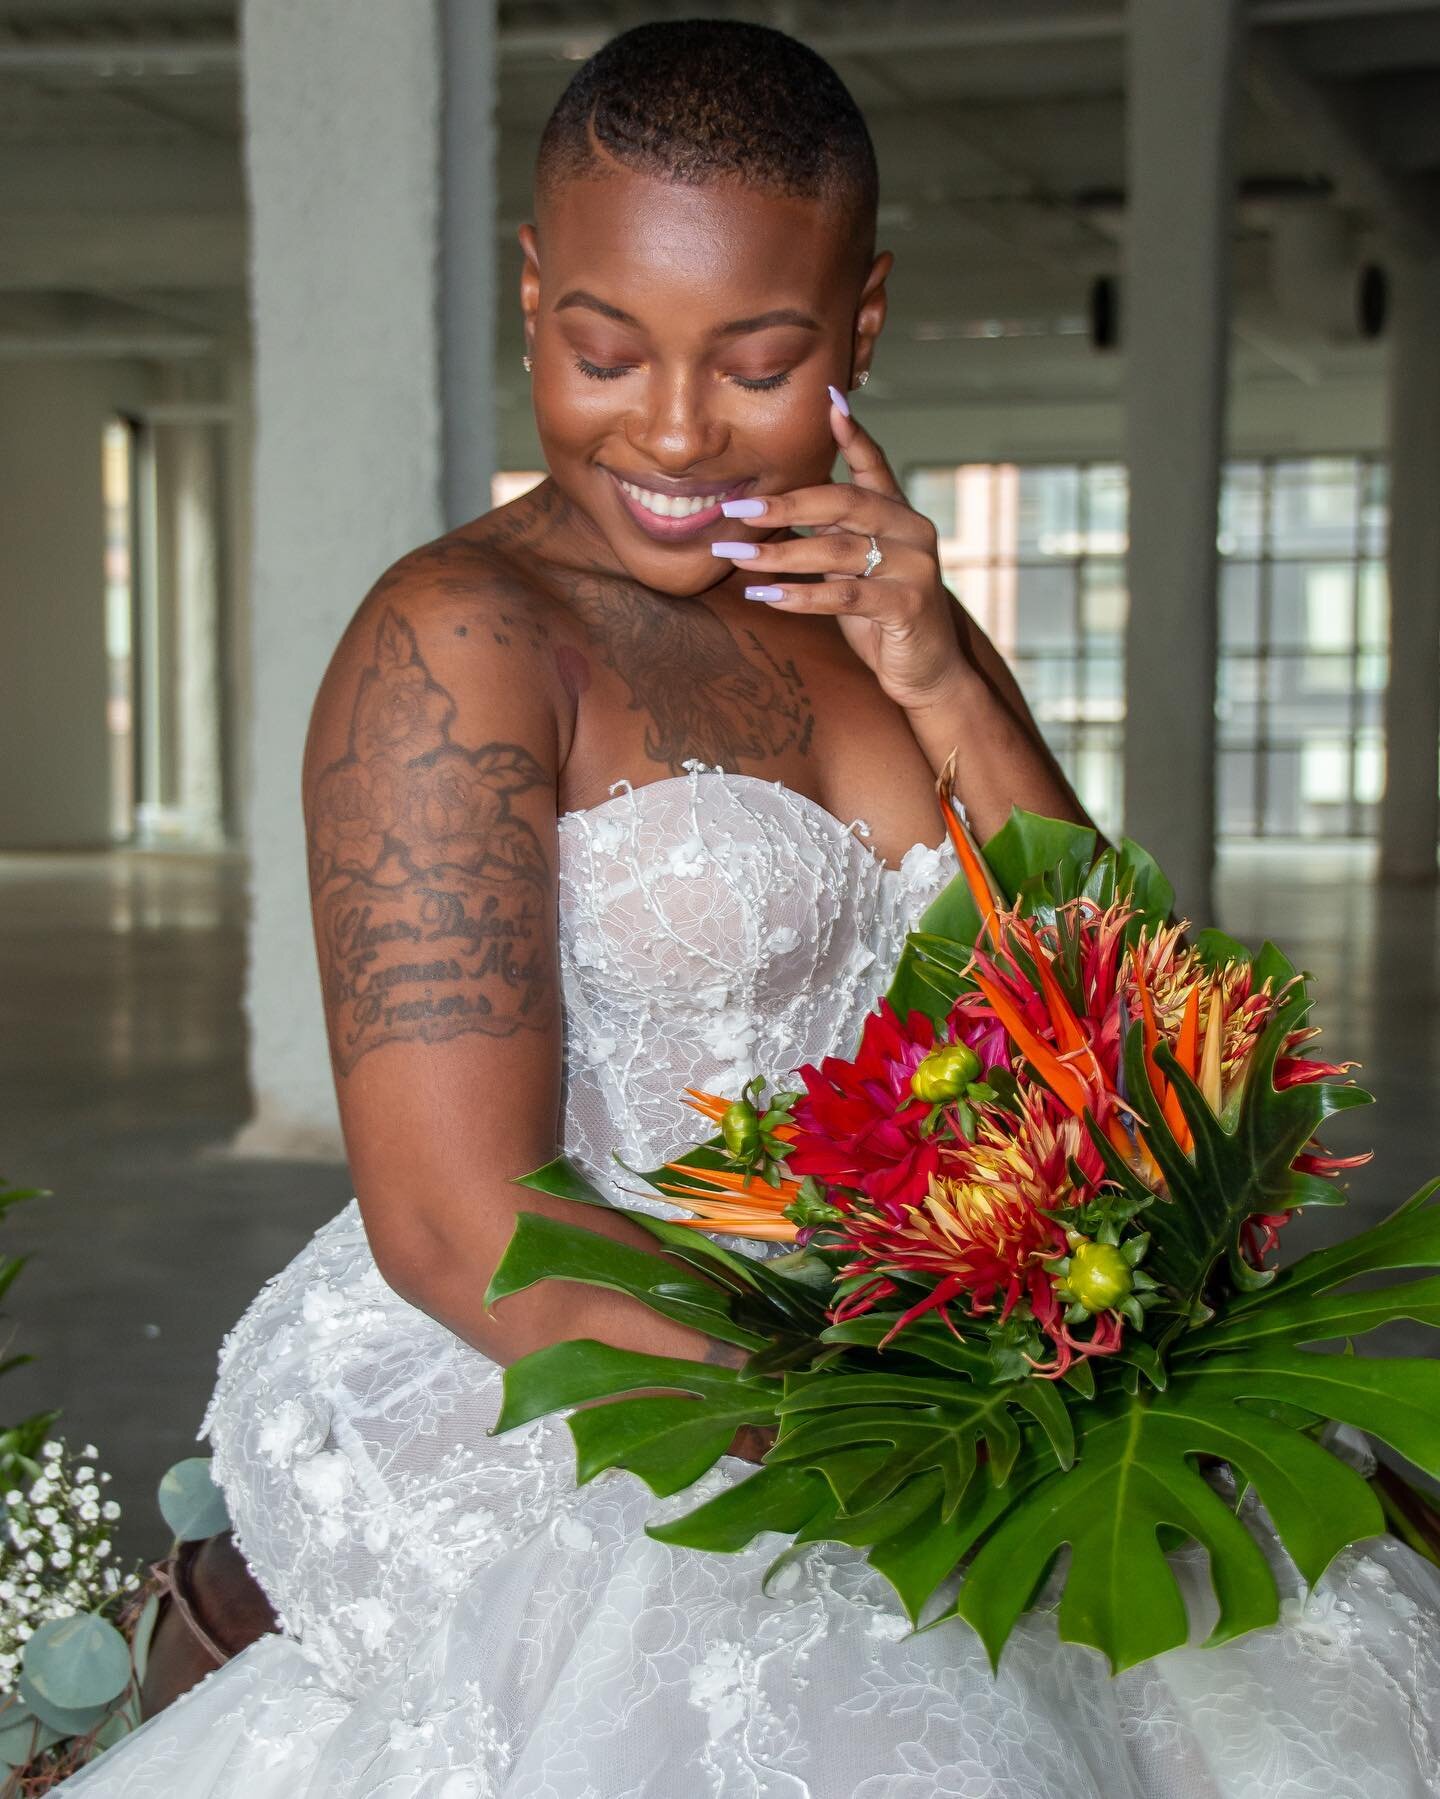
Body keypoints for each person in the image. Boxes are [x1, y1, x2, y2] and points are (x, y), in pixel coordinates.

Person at [64, 20, 1440, 1798]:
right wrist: (915, 1429)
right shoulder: (463, 643)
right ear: (535, 287)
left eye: (759, 358)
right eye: (602, 348)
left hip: (964, 1343)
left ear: (859, 326)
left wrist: (945, 675)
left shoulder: (875, 604)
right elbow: (455, 1224)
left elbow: (1129, 1030)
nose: (673, 426)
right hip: (613, 1393)